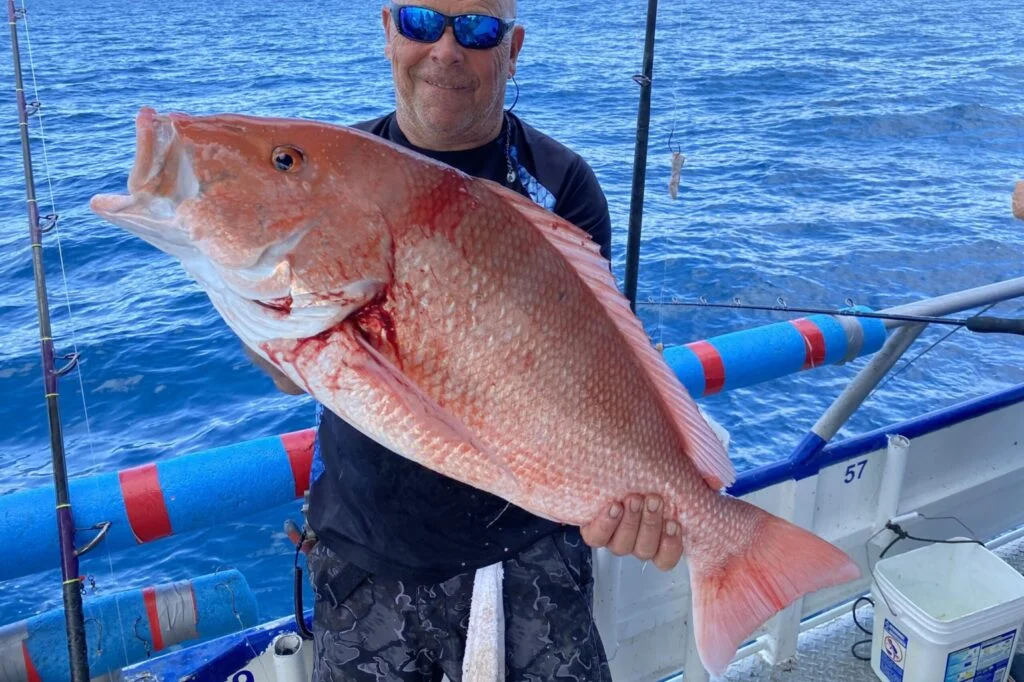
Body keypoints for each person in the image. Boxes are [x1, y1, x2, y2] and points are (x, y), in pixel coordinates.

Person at [246, 1, 683, 679]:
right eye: (424, 22)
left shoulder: (562, 184)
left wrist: (636, 496)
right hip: (366, 551)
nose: (447, 49)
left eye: (478, 29)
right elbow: (289, 362)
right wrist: (260, 307)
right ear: (389, 32)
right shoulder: (333, 173)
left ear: (513, 49)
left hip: (532, 544)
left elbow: (607, 371)